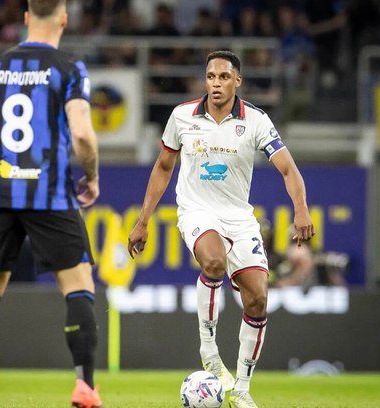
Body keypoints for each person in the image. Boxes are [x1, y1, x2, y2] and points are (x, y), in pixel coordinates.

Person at [128, 50, 314, 408]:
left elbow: (288, 169)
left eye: (224, 77)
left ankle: (242, 388)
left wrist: (301, 210)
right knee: (212, 262)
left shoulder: (257, 121)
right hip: (196, 210)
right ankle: (210, 350)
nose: (216, 83)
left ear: (237, 81)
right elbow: (164, 167)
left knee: (259, 298)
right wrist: (143, 219)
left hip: (239, 217)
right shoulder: (182, 116)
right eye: (211, 76)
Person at [0, 1, 102, 407]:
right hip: (49, 193)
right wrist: (91, 175)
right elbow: (83, 136)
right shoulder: (69, 69)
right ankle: (85, 387)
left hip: (1, 193)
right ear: (64, 18)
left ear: (25, 19)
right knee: (79, 288)